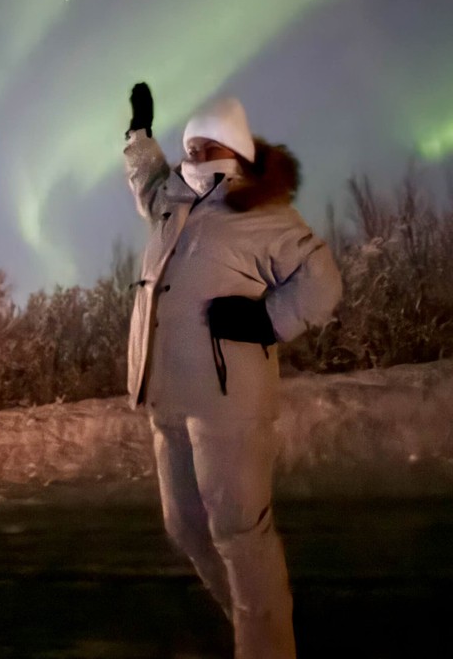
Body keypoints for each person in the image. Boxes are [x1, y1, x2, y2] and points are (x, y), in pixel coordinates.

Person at [123, 81, 342, 659]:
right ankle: (257, 629)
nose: (190, 156)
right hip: (167, 395)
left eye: (203, 147)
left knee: (241, 537)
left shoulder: (261, 211)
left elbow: (323, 281)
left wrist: (268, 320)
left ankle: (267, 646)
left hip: (229, 403)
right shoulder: (173, 202)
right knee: (186, 527)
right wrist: (139, 136)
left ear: (232, 150)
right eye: (188, 145)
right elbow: (147, 183)